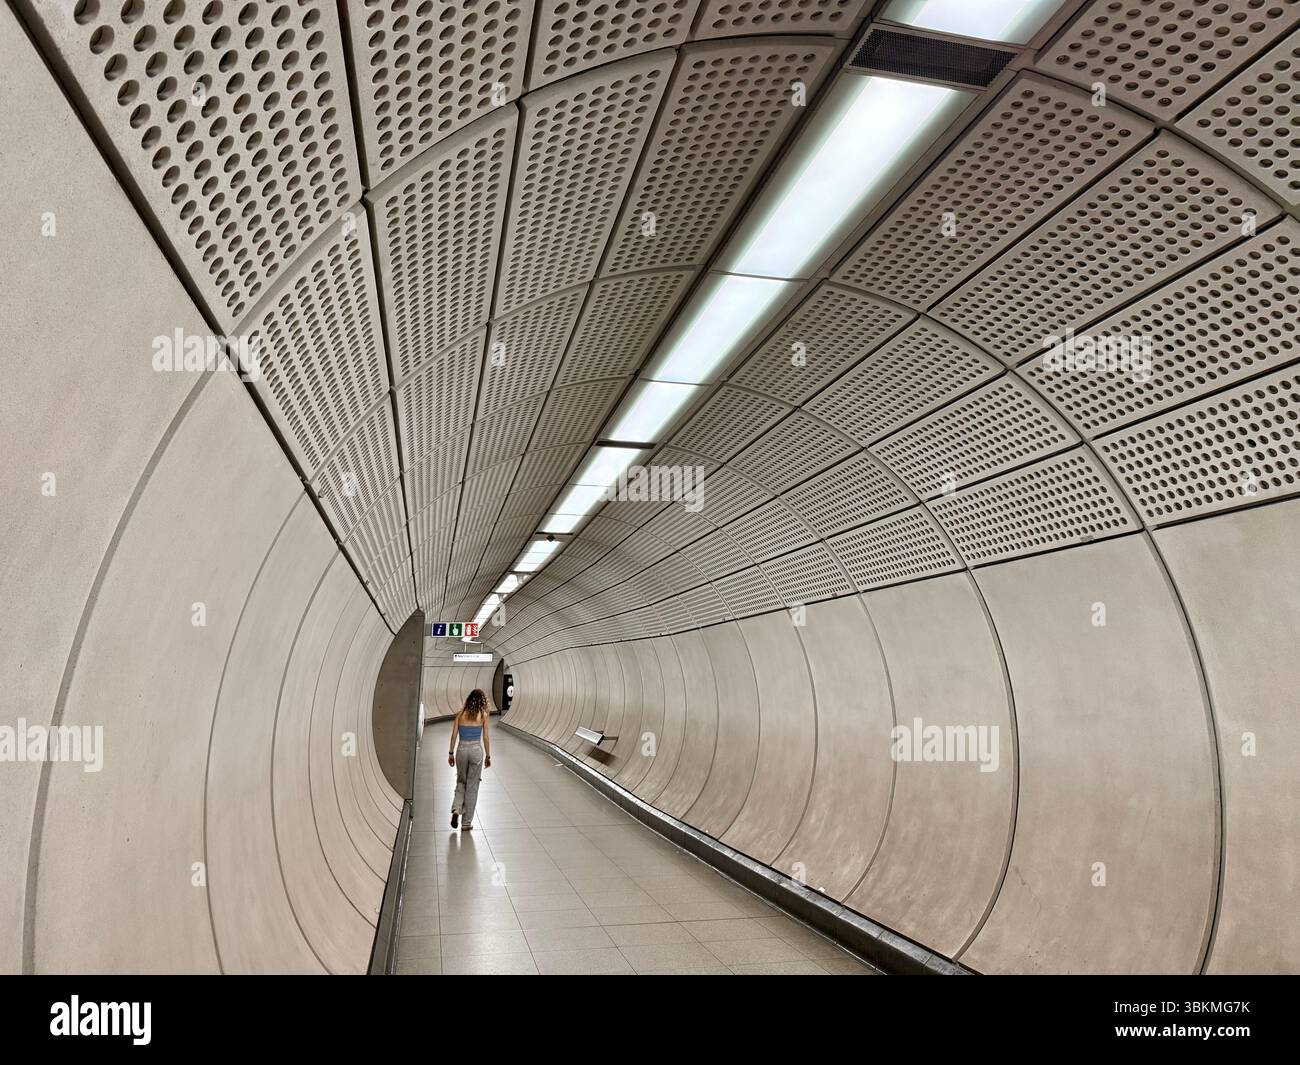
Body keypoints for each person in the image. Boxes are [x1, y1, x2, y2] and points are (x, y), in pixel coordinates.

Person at [448, 689, 491, 830]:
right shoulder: (483, 715)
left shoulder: (460, 714)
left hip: (461, 749)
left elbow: (454, 735)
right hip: (476, 751)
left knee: (461, 782)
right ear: (482, 701)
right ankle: (466, 823)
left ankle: (456, 809)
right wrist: (488, 756)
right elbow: (485, 737)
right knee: (472, 786)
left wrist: (450, 753)